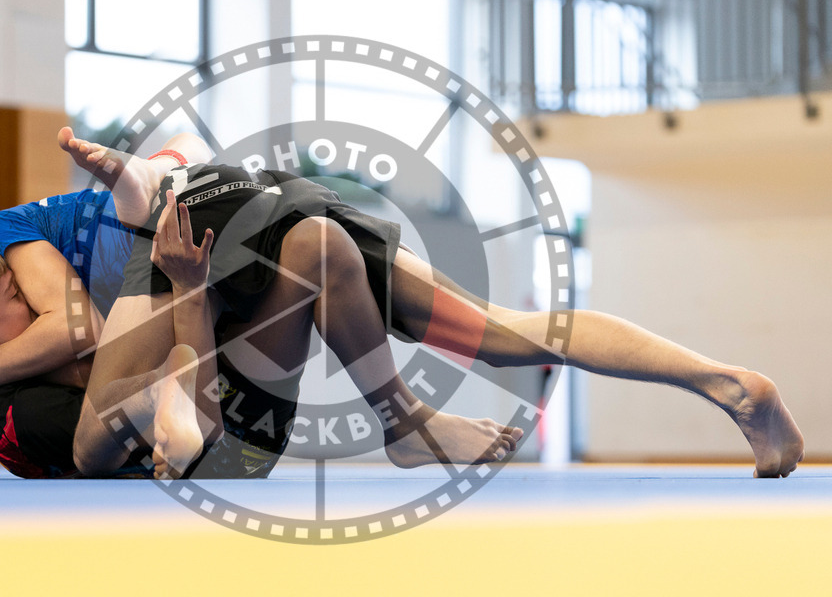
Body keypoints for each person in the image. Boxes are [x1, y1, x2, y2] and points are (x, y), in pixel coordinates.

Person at [62, 127, 805, 480]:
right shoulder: (172, 183)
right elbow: (176, 161)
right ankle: (730, 384)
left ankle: (406, 421)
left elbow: (93, 440)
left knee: (103, 436)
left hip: (186, 227)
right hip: (279, 205)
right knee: (514, 329)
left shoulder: (62, 250)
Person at [0, 131, 521, 479]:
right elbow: (102, 427)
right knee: (145, 380)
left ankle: (402, 421)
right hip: (223, 456)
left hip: (221, 404)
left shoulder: (14, 337)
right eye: (16, 298)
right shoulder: (6, 410)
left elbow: (93, 340)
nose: (38, 294)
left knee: (319, 245)